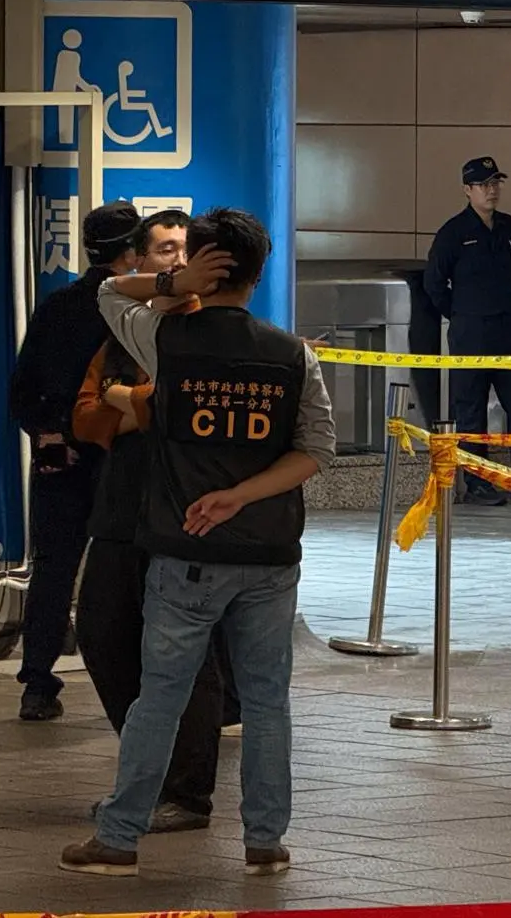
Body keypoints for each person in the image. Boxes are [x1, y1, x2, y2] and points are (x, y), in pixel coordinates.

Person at [61, 209, 334, 878]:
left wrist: (171, 282)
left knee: (160, 696)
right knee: (268, 700)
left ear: (203, 267)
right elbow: (316, 451)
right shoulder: (293, 354)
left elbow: (104, 292)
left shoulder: (168, 339)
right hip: (270, 555)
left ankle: (120, 837)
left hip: (187, 552)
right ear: (260, 272)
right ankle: (265, 840)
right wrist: (243, 494)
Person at [70, 209, 225, 835]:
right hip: (118, 513)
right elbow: (83, 417)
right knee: (103, 635)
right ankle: (147, 769)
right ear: (144, 258)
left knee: (186, 653)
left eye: (185, 250)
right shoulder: (123, 330)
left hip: (185, 514)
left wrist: (125, 400)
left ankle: (187, 794)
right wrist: (135, 406)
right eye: (164, 249)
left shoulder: (210, 331)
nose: (175, 260)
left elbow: (179, 410)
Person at [9, 201, 141, 722]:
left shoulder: (56, 306)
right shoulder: (135, 312)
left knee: (53, 570)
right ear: (132, 252)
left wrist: (50, 434)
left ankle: (37, 683)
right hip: (121, 460)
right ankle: (135, 684)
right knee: (132, 570)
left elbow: (21, 391)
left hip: (58, 460)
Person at [424, 156, 511, 505]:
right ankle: (478, 482)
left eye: (495, 183)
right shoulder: (453, 234)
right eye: (484, 185)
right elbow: (434, 284)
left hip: (507, 328)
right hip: (470, 332)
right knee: (471, 407)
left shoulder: (510, 228)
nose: (492, 191)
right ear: (467, 190)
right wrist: (461, 315)